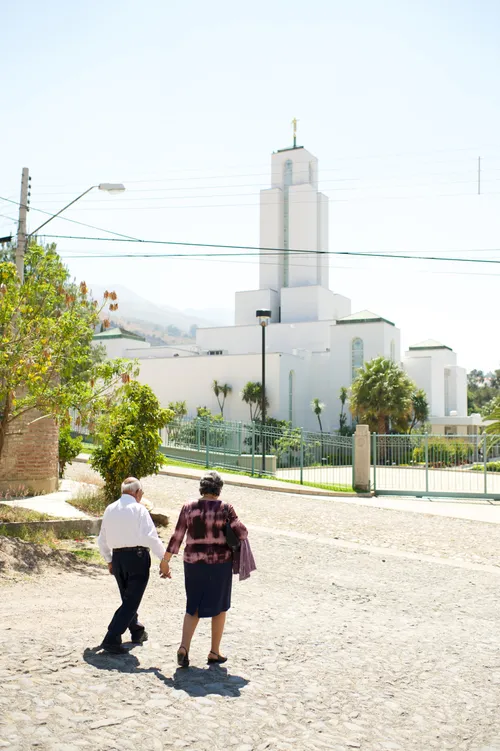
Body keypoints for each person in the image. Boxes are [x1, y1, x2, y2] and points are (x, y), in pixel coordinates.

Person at [163, 470, 248, 668]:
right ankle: (214, 652)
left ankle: (184, 647)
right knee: (220, 606)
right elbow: (242, 532)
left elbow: (177, 536)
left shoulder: (188, 507)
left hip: (193, 563)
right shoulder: (226, 508)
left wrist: (165, 560)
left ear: (202, 488)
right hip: (220, 564)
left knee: (193, 605)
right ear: (219, 489)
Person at [97, 477, 170, 654]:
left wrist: (109, 560)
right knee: (131, 601)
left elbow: (102, 539)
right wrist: (164, 559)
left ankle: (136, 630)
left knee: (128, 599)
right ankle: (112, 636)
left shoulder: (110, 509)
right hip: (137, 558)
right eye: (142, 493)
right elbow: (151, 536)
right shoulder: (139, 510)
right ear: (137, 492)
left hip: (118, 559)